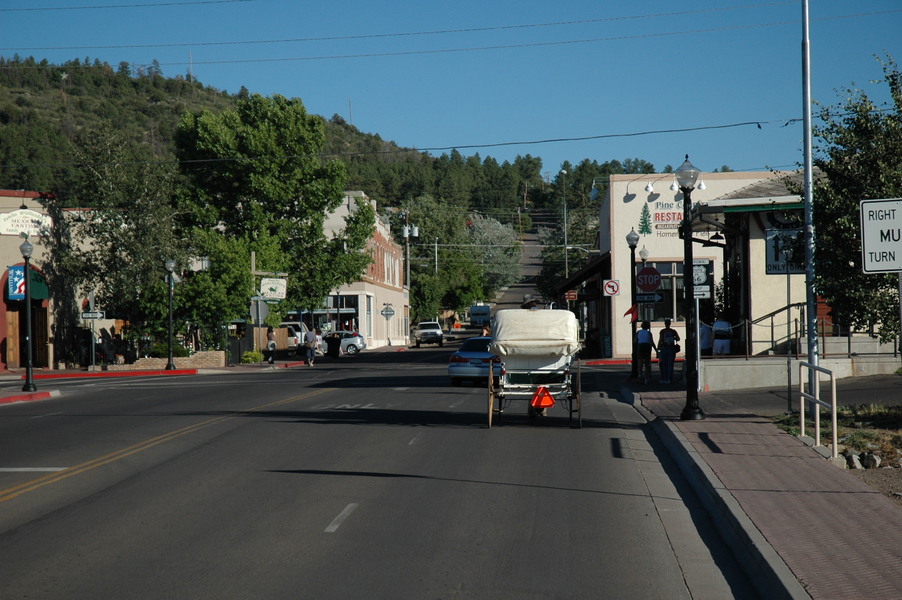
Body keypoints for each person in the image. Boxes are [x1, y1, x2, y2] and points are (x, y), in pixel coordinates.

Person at [657, 318, 680, 384]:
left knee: (664, 364)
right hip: (671, 348)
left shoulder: (662, 331)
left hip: (664, 348)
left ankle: (664, 378)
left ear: (665, 324)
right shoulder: (673, 331)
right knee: (670, 364)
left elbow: (660, 340)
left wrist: (658, 348)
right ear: (670, 323)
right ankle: (670, 378)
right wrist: (674, 338)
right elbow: (678, 339)